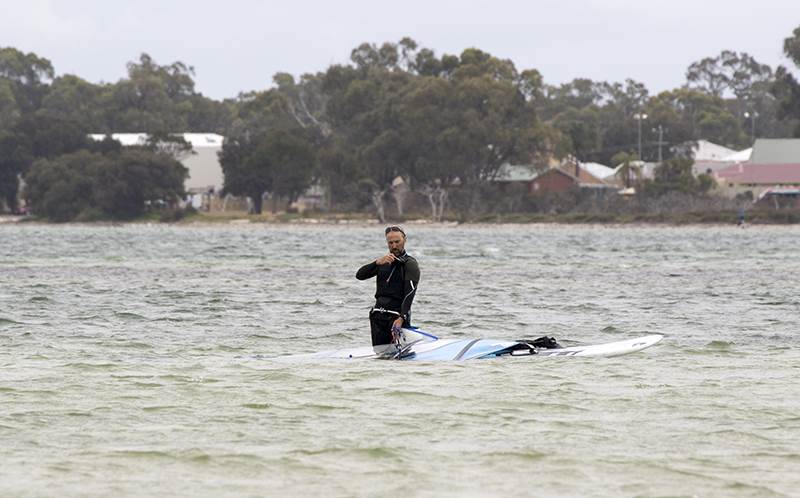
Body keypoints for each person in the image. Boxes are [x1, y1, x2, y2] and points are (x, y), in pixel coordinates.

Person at [356, 226, 420, 346]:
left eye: (397, 242)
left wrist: (402, 318)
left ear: (404, 240)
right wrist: (376, 263)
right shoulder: (383, 262)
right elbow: (359, 275)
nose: (394, 246)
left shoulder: (410, 264)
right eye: (390, 243)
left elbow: (410, 293)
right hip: (377, 317)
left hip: (396, 318)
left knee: (399, 356)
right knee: (381, 354)